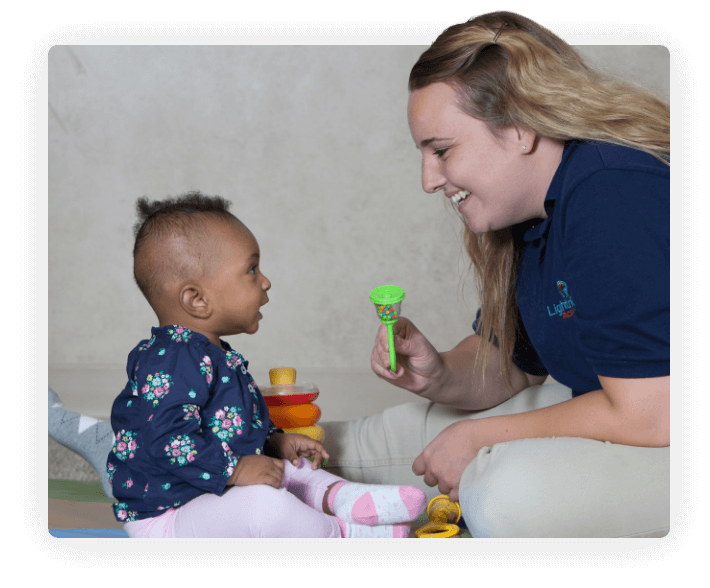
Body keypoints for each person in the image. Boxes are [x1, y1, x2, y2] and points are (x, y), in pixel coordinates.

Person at [49, 11, 670, 538]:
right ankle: (167, 467)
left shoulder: (611, 193)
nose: (428, 180)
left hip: (661, 428)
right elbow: (515, 366)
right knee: (350, 448)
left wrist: (484, 438)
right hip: (619, 408)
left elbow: (652, 411)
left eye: (441, 150)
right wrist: (440, 373)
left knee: (501, 493)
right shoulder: (530, 221)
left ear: (518, 127)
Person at [94, 192, 427, 538]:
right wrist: (236, 469)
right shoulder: (174, 360)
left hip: (210, 494)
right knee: (264, 504)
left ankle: (342, 497)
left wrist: (274, 442)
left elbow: (226, 425)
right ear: (197, 299)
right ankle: (343, 533)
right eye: (251, 270)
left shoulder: (210, 353)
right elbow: (169, 440)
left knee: (288, 468)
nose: (265, 281)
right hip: (169, 516)